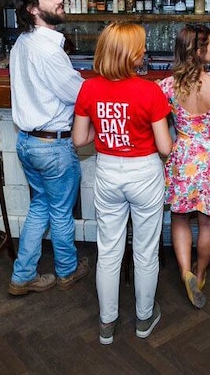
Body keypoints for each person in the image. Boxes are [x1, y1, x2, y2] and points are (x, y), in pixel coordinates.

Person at [72, 22, 173, 345]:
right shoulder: (151, 91)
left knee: (109, 250)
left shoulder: (89, 88)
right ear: (131, 54)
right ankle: (144, 318)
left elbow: (79, 139)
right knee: (145, 252)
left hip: (108, 172)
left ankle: (107, 324)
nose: (145, 51)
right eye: (141, 46)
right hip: (143, 173)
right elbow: (164, 148)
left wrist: (105, 134)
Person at [8, 0, 90, 296]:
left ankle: (22, 275)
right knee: (59, 211)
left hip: (27, 143)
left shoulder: (22, 44)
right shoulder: (49, 52)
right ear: (33, 9)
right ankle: (67, 270)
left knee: (40, 206)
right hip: (53, 147)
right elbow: (78, 94)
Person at [158, 24, 210, 309]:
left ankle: (184, 272)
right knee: (207, 222)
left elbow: (159, 122)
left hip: (182, 156)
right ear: (198, 51)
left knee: (180, 219)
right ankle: (201, 273)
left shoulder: (167, 86)